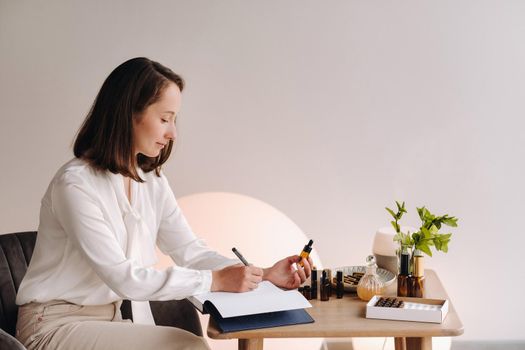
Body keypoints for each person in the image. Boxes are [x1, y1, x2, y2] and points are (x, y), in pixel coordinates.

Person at [15, 57, 313, 350]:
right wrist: (215, 280)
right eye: (164, 118)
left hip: (109, 321)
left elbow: (190, 251)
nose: (173, 133)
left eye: (174, 119)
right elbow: (123, 278)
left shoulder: (151, 182)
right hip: (53, 326)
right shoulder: (75, 185)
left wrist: (262, 275)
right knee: (189, 347)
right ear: (129, 113)